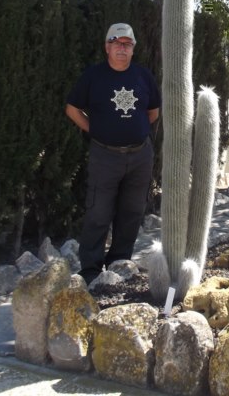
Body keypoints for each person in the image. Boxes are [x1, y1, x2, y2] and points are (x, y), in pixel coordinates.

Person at [65, 23, 161, 285]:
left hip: (140, 156)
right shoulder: (93, 76)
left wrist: (134, 132)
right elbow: (72, 109)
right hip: (104, 156)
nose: (122, 48)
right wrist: (95, 130)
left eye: (127, 44)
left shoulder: (143, 76)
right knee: (98, 212)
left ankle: (119, 263)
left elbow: (153, 112)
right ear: (107, 46)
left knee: (131, 212)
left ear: (133, 49)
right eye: (117, 43)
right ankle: (91, 271)